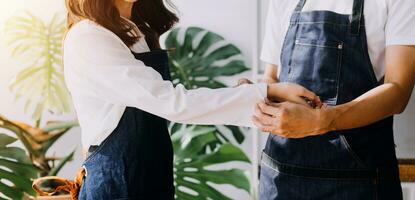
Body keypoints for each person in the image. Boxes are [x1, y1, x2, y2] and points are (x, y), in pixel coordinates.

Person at [62, 0, 318, 199]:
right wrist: (266, 92)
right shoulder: (89, 37)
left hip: (148, 178)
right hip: (118, 185)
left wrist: (257, 93)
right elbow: (174, 103)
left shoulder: (131, 30)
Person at [254, 0, 415, 199]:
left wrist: (323, 121)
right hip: (281, 175)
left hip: (360, 177)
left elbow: (398, 92)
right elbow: (272, 77)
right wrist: (258, 94)